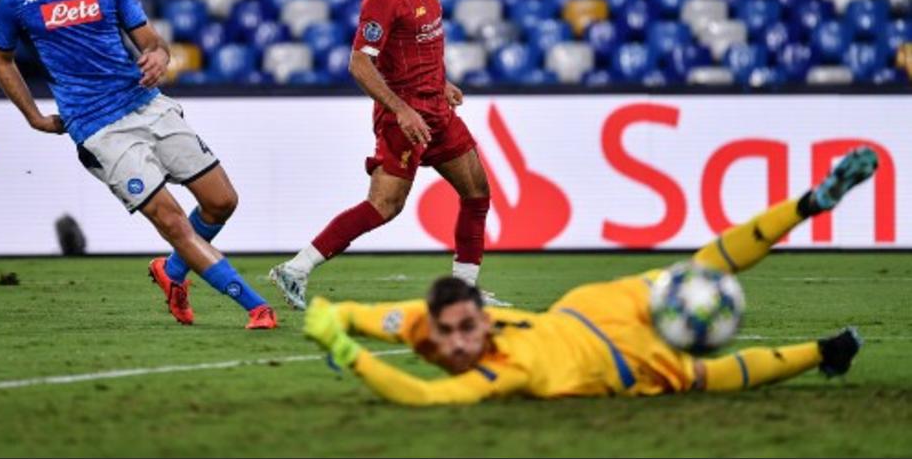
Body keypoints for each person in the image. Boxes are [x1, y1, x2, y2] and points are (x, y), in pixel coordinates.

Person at [302, 147, 879, 405]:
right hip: (619, 353)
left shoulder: (463, 339)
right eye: (451, 336)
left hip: (600, 319)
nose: (456, 344)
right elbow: (422, 394)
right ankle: (822, 351)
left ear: (478, 315)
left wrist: (336, 326)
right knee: (711, 366)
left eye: (460, 329)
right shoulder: (496, 369)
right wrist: (344, 341)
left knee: (706, 274)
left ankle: (810, 202)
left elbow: (358, 317)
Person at [0, 0, 277, 330]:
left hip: (146, 104)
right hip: (98, 127)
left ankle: (172, 271)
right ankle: (256, 305)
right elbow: (0, 60)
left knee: (222, 202)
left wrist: (159, 55)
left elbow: (149, 40)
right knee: (173, 220)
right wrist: (34, 116)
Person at [269, 0, 506, 311]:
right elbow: (359, 63)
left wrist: (442, 81)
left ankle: (465, 292)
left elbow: (414, 46)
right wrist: (401, 108)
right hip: (405, 116)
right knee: (384, 206)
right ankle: (296, 268)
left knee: (477, 192)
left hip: (437, 109)